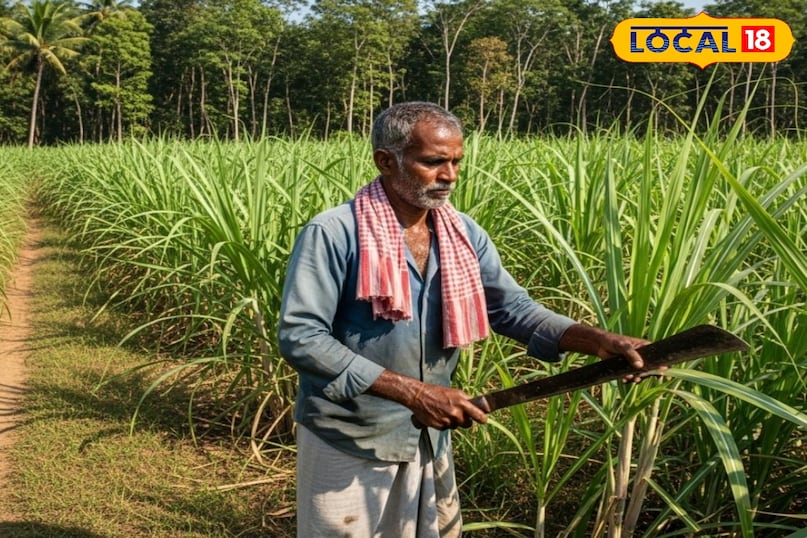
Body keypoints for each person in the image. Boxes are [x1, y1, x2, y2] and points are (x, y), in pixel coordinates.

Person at [277, 101, 648, 537]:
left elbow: (514, 309)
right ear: (386, 161)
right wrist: (413, 393)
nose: (450, 175)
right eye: (433, 162)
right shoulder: (334, 233)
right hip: (351, 434)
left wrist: (597, 341)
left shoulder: (463, 234)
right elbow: (301, 336)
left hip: (428, 436)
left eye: (456, 162)